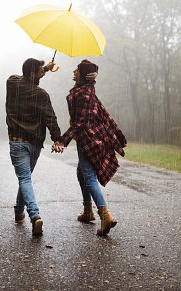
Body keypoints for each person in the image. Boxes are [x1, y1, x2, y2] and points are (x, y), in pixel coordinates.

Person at [6, 58, 96, 236]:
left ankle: (31, 214)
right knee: (25, 178)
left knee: (25, 179)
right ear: (33, 74)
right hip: (34, 144)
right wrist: (57, 139)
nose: (42, 73)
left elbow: (25, 77)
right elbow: (50, 118)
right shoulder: (41, 95)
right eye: (40, 71)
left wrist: (45, 68)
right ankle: (22, 213)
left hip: (17, 141)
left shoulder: (12, 83)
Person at [52, 59, 127, 236]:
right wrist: (93, 77)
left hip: (87, 139)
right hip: (90, 137)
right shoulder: (87, 89)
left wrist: (63, 140)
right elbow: (90, 83)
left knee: (89, 176)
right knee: (81, 172)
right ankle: (88, 212)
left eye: (77, 70)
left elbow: (79, 122)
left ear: (83, 74)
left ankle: (105, 215)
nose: (73, 72)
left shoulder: (83, 94)